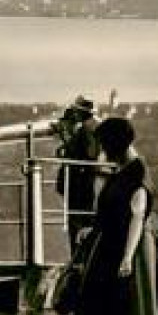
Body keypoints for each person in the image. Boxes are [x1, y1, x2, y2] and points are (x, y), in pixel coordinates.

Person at [68, 117, 158, 315]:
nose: (102, 151)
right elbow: (111, 211)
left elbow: (136, 218)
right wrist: (92, 229)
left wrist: (127, 257)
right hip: (108, 244)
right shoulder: (121, 171)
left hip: (130, 250)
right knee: (93, 306)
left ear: (116, 144)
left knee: (133, 312)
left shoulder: (137, 174)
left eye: (105, 145)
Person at [53, 95, 101, 253]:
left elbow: (90, 154)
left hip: (80, 188)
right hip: (82, 186)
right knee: (80, 225)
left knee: (78, 226)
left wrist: (68, 148)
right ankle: (79, 259)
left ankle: (78, 261)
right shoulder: (92, 126)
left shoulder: (89, 128)